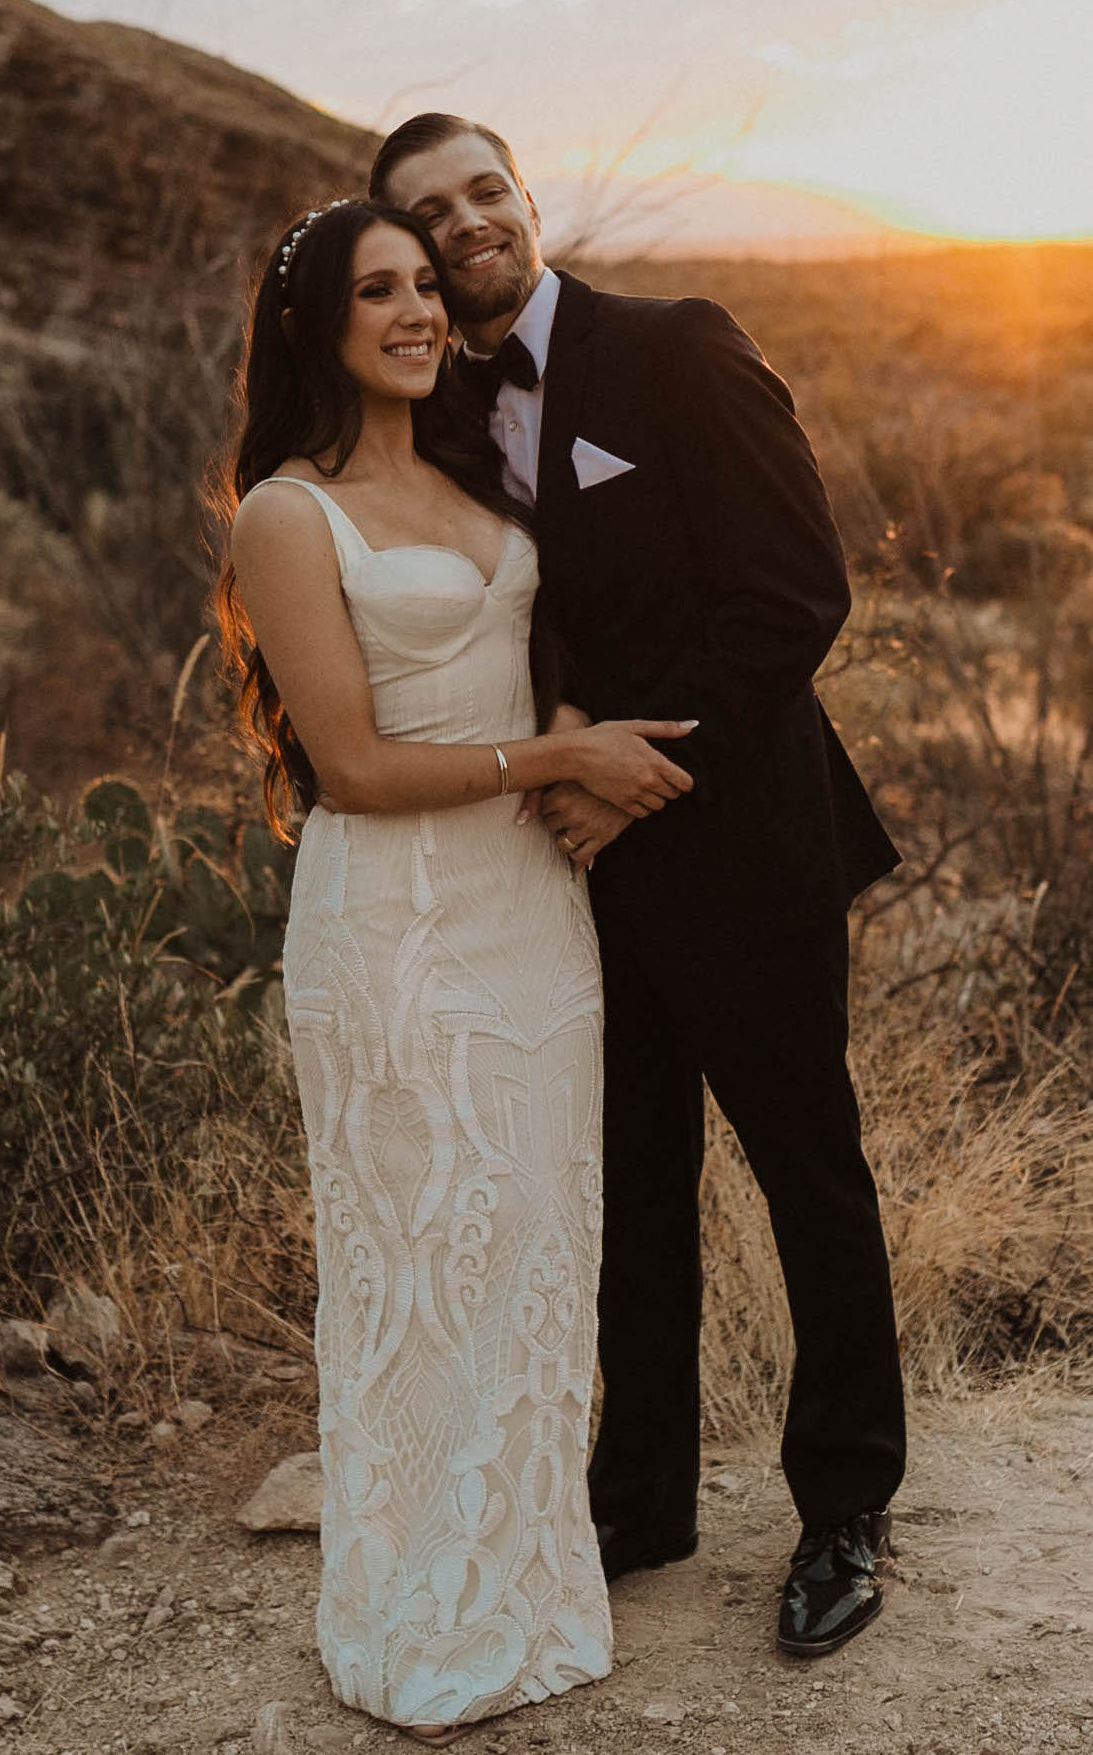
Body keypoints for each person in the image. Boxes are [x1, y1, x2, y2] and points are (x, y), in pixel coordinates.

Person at [369, 115, 908, 1659]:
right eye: (429, 214)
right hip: (571, 871)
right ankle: (640, 1493)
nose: (467, 223)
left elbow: (800, 590)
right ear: (406, 254)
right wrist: (557, 763)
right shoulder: (444, 420)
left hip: (742, 843)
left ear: (525, 198)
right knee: (627, 1185)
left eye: (484, 189)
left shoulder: (675, 347)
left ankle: (846, 1506)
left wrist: (628, 776)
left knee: (810, 1170)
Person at [214, 198, 700, 1740]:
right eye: (380, 290)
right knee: (419, 1258)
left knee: (537, 1251)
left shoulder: (481, 470)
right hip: (397, 930)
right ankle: (412, 1613)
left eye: (427, 284)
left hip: (531, 914)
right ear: (319, 326)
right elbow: (348, 764)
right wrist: (558, 754)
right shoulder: (286, 515)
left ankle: (527, 1593)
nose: (418, 311)